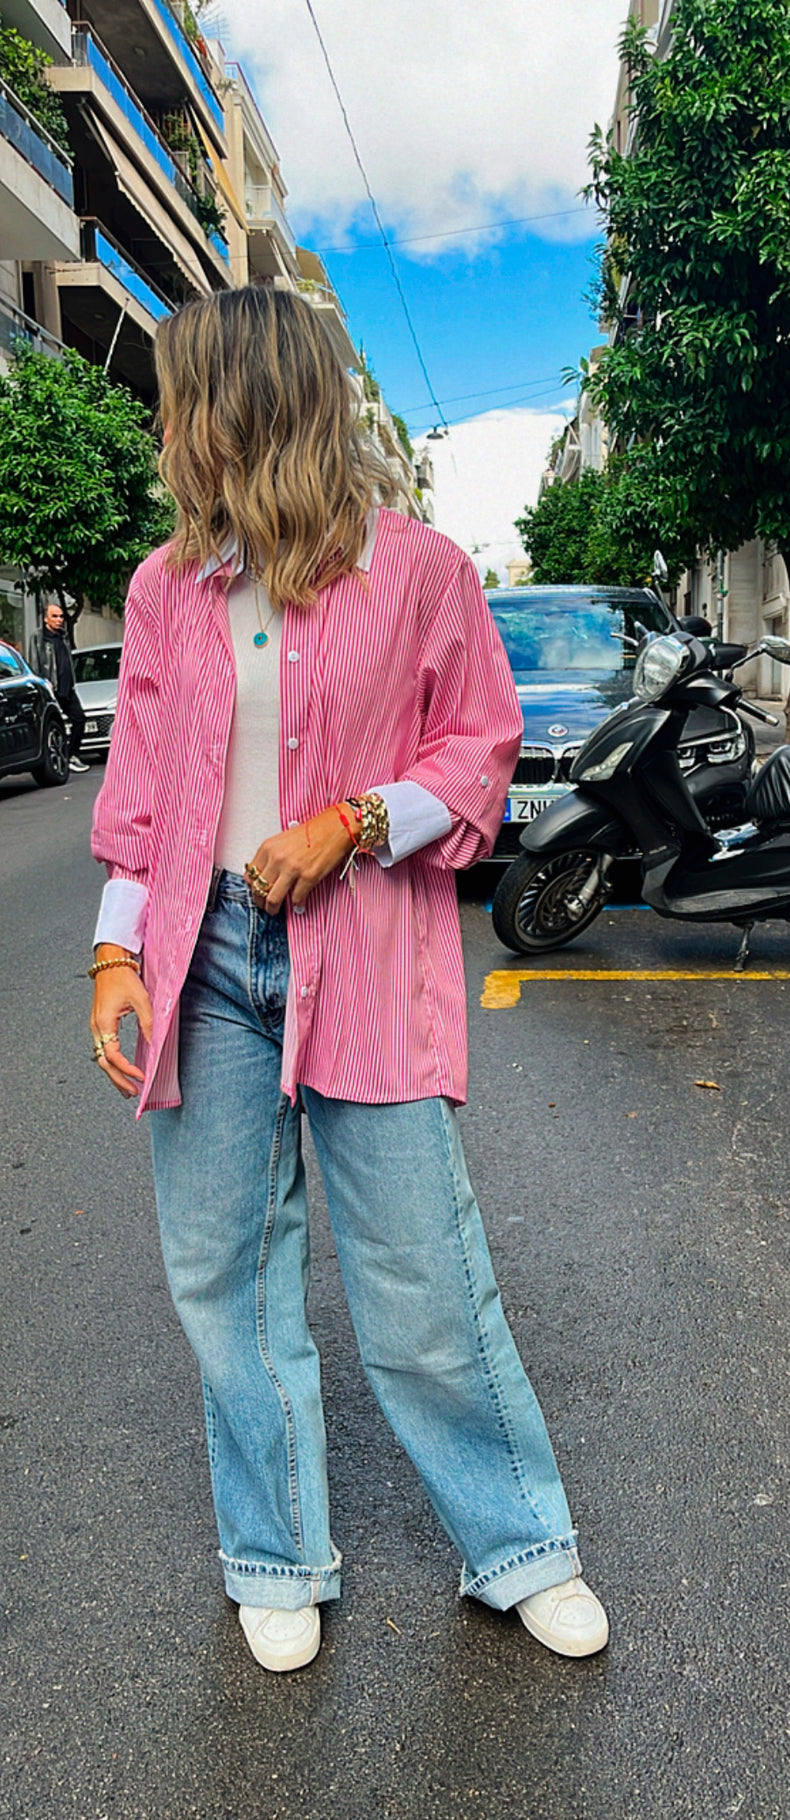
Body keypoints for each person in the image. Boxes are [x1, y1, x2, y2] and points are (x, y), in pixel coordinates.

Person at [88, 286, 607, 1675]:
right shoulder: (160, 590)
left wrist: (352, 822)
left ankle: (519, 1548)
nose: (169, 425)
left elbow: (478, 751)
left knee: (423, 1279)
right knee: (226, 1282)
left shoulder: (422, 572)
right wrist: (110, 954)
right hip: (202, 960)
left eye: (185, 395)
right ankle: (276, 1554)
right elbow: (139, 796)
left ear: (250, 404)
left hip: (363, 949)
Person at [38, 602, 89, 772]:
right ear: (46, 619)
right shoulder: (39, 639)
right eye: (54, 616)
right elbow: (35, 662)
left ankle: (72, 755)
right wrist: (44, 684)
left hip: (68, 689)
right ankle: (56, 760)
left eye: (61, 616)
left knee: (79, 719)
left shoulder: (63, 637)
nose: (59, 620)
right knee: (52, 725)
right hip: (52, 690)